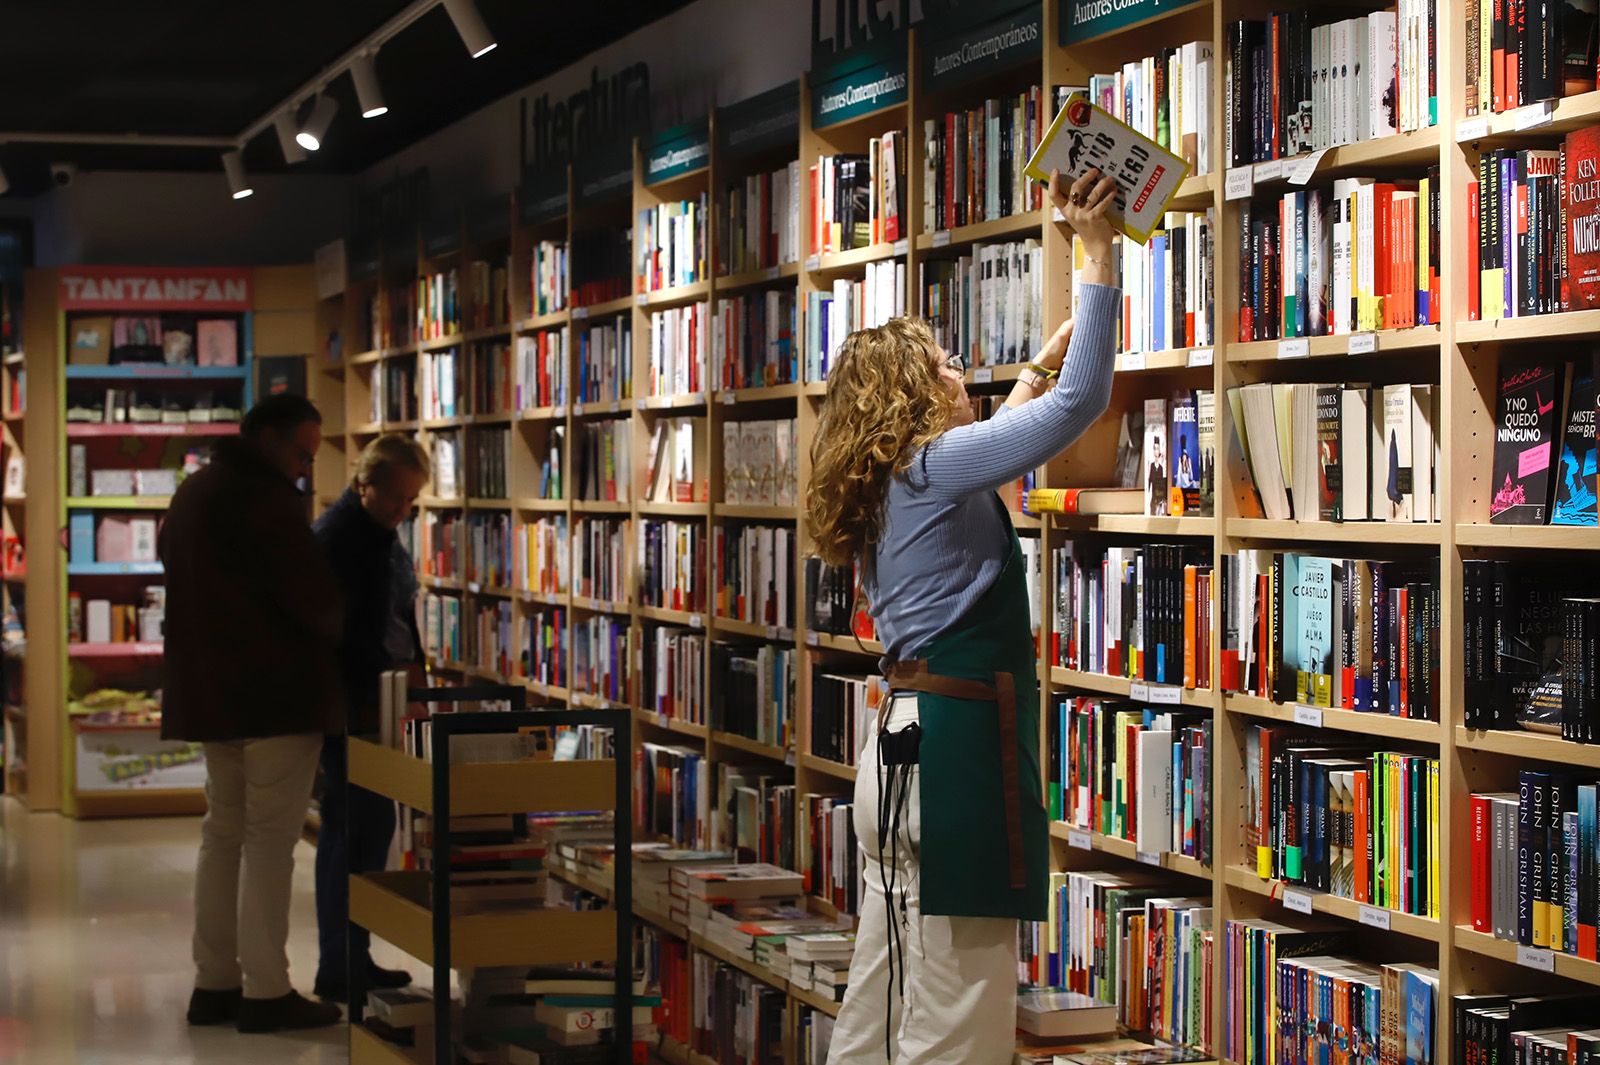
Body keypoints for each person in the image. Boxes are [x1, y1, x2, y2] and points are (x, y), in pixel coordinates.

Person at [805, 168, 1119, 1064]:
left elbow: (1006, 433)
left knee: (886, 990)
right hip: (954, 761)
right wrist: (1096, 251)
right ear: (911, 398)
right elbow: (1080, 405)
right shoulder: (933, 464)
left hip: (898, 756)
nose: (958, 370)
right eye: (942, 364)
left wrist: (1031, 369)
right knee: (957, 1024)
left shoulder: (892, 480)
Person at [161, 393, 345, 1033]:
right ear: (266, 439)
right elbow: (312, 598)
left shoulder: (195, 492)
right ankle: (267, 990)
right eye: (300, 452)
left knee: (224, 833)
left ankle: (214, 982)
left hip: (212, 694)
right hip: (276, 695)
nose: (303, 468)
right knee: (270, 842)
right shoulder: (266, 502)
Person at [311, 434, 430, 1003]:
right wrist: (387, 677)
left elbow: (396, 612)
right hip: (355, 700)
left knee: (365, 829)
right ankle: (340, 961)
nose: (402, 510)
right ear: (366, 483)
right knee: (354, 828)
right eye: (396, 497)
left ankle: (352, 954)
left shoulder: (377, 533)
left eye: (412, 501)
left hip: (376, 696)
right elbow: (348, 631)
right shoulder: (343, 538)